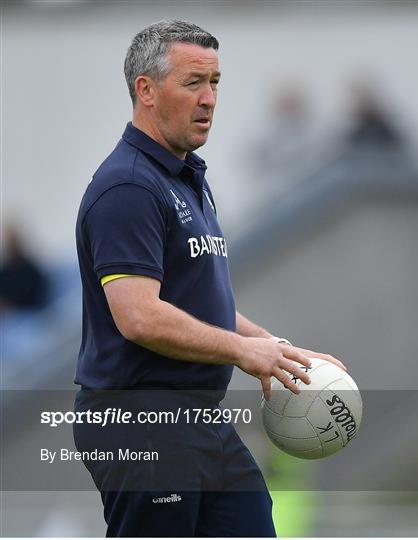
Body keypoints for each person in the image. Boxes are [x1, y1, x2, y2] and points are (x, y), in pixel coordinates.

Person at [73, 20, 346, 537]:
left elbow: (200, 306)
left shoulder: (186, 178)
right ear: (146, 91)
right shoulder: (128, 186)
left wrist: (276, 348)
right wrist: (242, 353)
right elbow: (137, 316)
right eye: (193, 82)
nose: (210, 98)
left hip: (199, 417)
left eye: (216, 82)